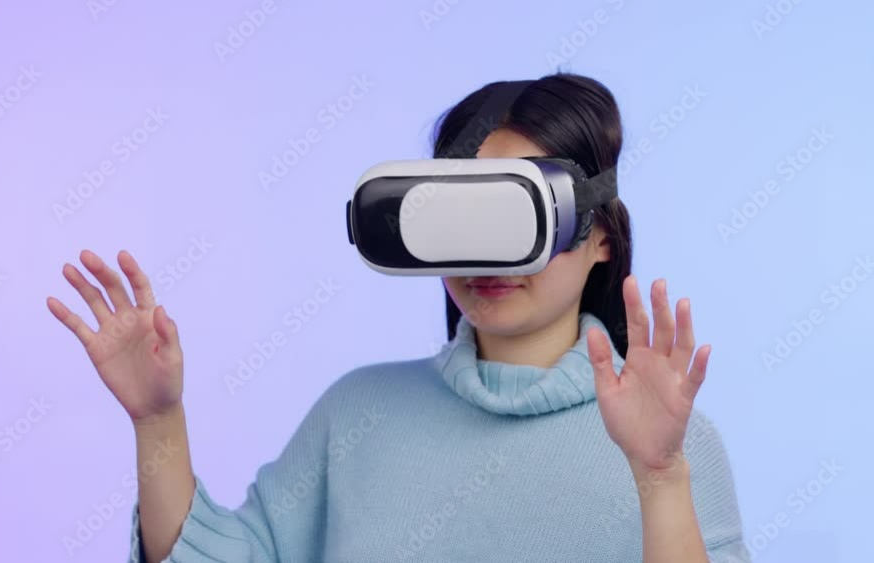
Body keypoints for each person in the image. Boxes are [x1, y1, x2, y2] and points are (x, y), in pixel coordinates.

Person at [47, 73, 750, 562]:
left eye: (513, 217)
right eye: (459, 218)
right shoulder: (359, 412)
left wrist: (660, 475)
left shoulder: (671, 440)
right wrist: (157, 420)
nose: (486, 257)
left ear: (599, 237)